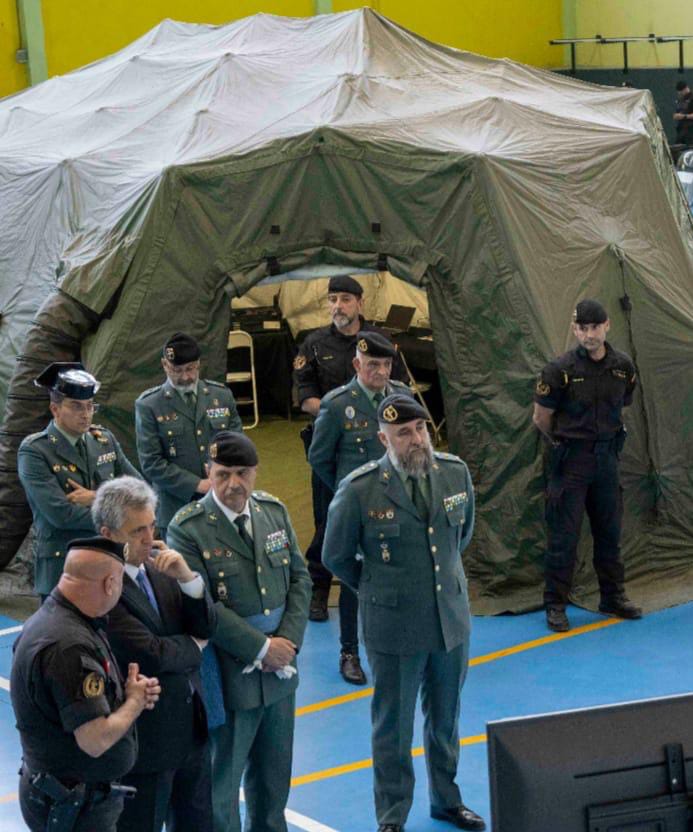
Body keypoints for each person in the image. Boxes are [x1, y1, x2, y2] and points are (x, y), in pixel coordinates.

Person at [323, 395, 485, 832]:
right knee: (393, 728)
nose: (415, 440)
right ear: (383, 438)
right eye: (403, 433)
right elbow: (335, 556)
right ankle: (392, 816)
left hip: (449, 620)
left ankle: (447, 801)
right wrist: (378, 587)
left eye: (420, 430)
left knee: (446, 719)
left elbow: (459, 537)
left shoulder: (454, 473)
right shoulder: (360, 489)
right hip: (392, 626)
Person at [167, 431, 311, 832]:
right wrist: (263, 648)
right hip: (230, 674)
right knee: (221, 787)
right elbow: (204, 607)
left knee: (274, 782)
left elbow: (300, 579)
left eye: (242, 473)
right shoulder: (188, 529)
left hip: (281, 675)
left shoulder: (273, 512)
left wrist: (288, 643)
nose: (234, 484)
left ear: (255, 472)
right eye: (223, 474)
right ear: (208, 472)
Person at [10, 536, 161, 832]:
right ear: (110, 584)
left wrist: (125, 694)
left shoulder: (57, 621)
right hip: (75, 807)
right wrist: (134, 702)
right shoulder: (69, 647)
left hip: (62, 795)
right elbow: (95, 740)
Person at [93, 476, 216, 832]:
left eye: (152, 527)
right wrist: (193, 648)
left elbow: (207, 627)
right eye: (137, 532)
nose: (150, 539)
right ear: (108, 533)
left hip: (191, 732)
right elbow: (151, 654)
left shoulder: (162, 568)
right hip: (146, 746)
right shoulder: (105, 588)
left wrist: (188, 579)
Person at [294, 274, 407, 624]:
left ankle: (379, 590)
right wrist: (339, 409)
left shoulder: (380, 341)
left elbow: (397, 389)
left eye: (345, 298)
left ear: (360, 302)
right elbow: (305, 396)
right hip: (331, 450)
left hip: (377, 448)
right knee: (328, 522)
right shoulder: (312, 344)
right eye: (332, 299)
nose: (337, 306)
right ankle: (319, 588)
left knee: (383, 524)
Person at [308, 330, 414, 684]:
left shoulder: (401, 396)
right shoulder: (338, 404)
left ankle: (398, 640)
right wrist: (348, 493)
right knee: (354, 581)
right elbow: (319, 458)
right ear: (357, 364)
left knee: (398, 572)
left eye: (385, 365)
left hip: (398, 504)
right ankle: (349, 651)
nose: (380, 372)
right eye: (372, 365)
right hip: (358, 509)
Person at [533, 299, 643, 633]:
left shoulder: (623, 367)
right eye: (583, 328)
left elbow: (622, 405)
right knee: (564, 536)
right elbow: (541, 418)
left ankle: (612, 597)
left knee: (609, 532)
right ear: (574, 329)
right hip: (572, 460)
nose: (589, 334)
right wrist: (567, 443)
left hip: (607, 458)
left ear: (607, 325)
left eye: (595, 327)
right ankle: (555, 604)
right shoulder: (559, 371)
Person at [18, 362, 140, 597]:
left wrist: (97, 497)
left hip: (108, 562)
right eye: (76, 406)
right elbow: (60, 514)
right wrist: (121, 519)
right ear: (55, 409)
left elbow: (139, 491)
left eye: (90, 406)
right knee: (62, 633)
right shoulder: (35, 451)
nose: (85, 414)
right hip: (63, 568)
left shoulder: (104, 439)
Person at [135, 332, 242, 539]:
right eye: (177, 370)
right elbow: (151, 462)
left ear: (199, 364)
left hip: (222, 501)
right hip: (176, 509)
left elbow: (237, 445)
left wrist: (223, 474)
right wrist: (197, 484)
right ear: (165, 365)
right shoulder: (149, 405)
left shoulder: (221, 396)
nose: (185, 377)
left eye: (191, 369)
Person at [674, 80, 693, 145]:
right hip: (681, 130)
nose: (680, 93)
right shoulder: (680, 100)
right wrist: (677, 116)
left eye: (681, 91)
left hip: (690, 130)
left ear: (686, 88)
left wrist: (684, 116)